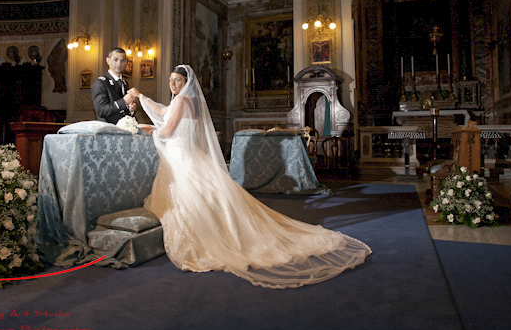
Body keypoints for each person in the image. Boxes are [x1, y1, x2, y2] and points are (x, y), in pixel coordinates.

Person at [129, 65, 371, 289]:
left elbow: (169, 129)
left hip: (181, 154)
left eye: (177, 80)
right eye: (171, 80)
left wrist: (153, 130)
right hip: (186, 153)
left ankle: (213, 234)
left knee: (192, 195)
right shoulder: (186, 101)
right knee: (208, 194)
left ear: (186, 82)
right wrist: (142, 98)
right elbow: (163, 110)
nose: (173, 84)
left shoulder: (182, 99)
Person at [92, 48, 136, 124]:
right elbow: (101, 111)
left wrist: (130, 109)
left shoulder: (124, 83)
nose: (119, 64)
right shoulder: (100, 83)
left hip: (123, 130)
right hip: (108, 131)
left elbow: (121, 110)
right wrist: (124, 101)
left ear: (125, 62)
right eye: (115, 60)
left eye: (122, 60)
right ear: (108, 61)